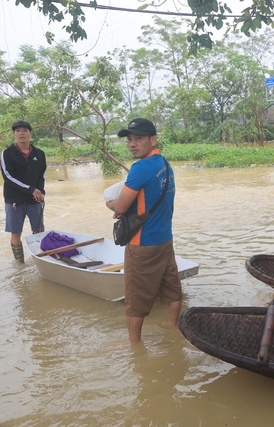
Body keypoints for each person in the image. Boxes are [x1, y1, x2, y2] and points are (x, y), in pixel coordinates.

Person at [106, 118, 182, 346]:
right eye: (129, 139)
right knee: (172, 288)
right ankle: (172, 325)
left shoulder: (140, 168)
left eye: (138, 138)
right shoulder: (165, 165)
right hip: (165, 241)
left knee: (135, 299)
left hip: (143, 245)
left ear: (153, 139)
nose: (132, 144)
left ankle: (135, 347)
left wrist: (110, 204)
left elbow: (120, 207)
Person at [1, 120, 46, 262]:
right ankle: (20, 264)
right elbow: (8, 177)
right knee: (16, 233)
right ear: (14, 134)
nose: (22, 133)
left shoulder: (40, 154)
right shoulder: (7, 153)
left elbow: (41, 175)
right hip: (15, 200)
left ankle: (41, 261)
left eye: (25, 130)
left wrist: (41, 191)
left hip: (34, 200)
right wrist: (31, 189)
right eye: (18, 130)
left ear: (30, 134)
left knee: (39, 232)